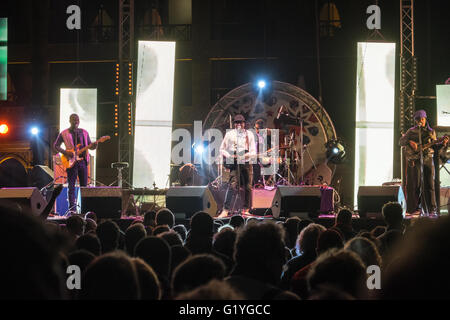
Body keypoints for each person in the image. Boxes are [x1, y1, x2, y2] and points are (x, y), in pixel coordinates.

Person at [399, 109, 448, 216]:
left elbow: (435, 147)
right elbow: (400, 141)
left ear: (425, 118)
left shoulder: (431, 132)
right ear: (415, 121)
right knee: (415, 184)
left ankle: (431, 209)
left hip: (428, 158)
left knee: (430, 184)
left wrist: (443, 144)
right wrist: (409, 141)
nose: (420, 121)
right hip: (415, 159)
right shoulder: (411, 131)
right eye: (418, 119)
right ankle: (414, 209)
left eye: (422, 119)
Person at [54, 114, 97, 212]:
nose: (76, 121)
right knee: (71, 186)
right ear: (70, 120)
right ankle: (72, 209)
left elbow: (91, 146)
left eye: (77, 119)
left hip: (82, 162)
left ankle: (84, 208)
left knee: (84, 187)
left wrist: (95, 145)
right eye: (74, 120)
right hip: (71, 162)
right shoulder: (64, 133)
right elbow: (55, 145)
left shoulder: (84, 133)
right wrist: (66, 153)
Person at [218, 114, 257, 217]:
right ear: (234, 124)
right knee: (232, 185)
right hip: (234, 164)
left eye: (240, 122)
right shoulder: (229, 134)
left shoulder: (250, 135)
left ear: (244, 123)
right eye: (236, 123)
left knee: (248, 187)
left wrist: (244, 156)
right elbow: (221, 149)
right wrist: (229, 155)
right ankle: (225, 210)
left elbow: (253, 151)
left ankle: (246, 209)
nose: (238, 124)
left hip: (246, 163)